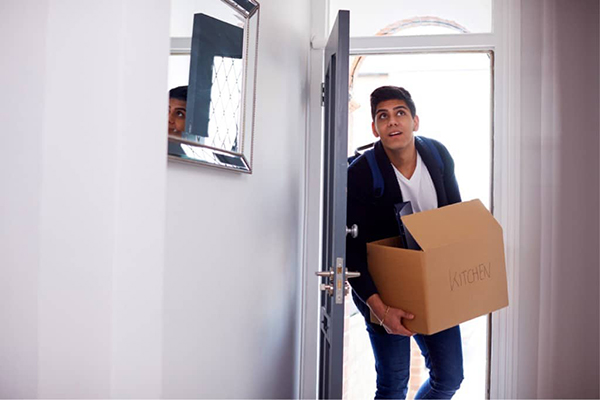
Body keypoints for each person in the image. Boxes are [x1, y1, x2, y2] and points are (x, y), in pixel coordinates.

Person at [346, 86, 464, 399]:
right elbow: (350, 250)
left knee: (450, 377)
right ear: (374, 128)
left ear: (415, 121)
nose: (392, 122)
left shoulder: (437, 155)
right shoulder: (359, 173)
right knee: (392, 385)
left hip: (432, 281)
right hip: (382, 289)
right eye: (383, 116)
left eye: (400, 113)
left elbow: (455, 218)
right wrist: (380, 309)